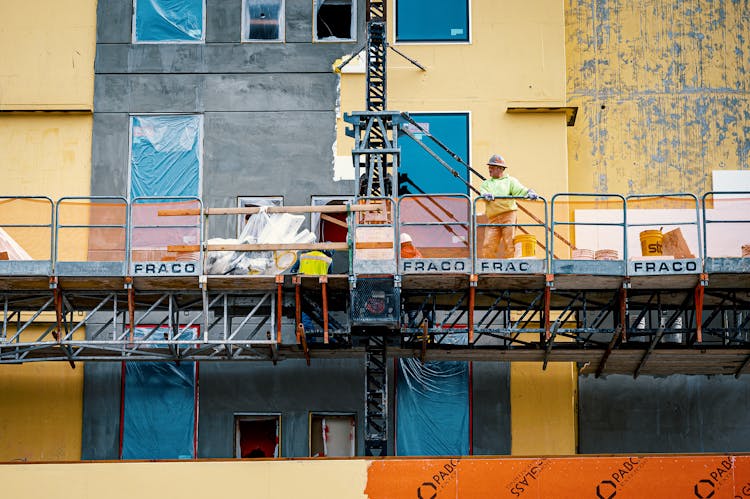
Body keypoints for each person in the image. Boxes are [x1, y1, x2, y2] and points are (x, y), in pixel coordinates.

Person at [479, 154, 538, 259]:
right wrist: (485, 195)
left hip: (508, 215)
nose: (489, 169)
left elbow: (520, 190)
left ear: (500, 169)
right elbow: (483, 192)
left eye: (492, 167)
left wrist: (529, 192)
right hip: (493, 218)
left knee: (509, 242)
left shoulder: (510, 181)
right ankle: (487, 267)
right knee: (488, 244)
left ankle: (509, 265)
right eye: (489, 167)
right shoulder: (486, 184)